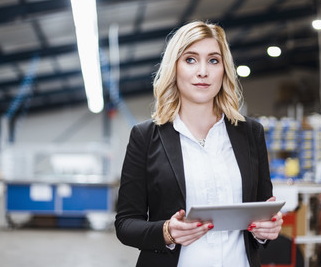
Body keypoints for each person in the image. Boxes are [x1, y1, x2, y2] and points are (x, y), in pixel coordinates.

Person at [115, 21, 283, 267]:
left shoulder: (250, 133)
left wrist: (264, 230)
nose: (203, 71)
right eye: (191, 59)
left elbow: (261, 212)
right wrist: (166, 232)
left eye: (213, 60)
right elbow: (126, 224)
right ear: (175, 67)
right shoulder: (145, 137)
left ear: (224, 69)